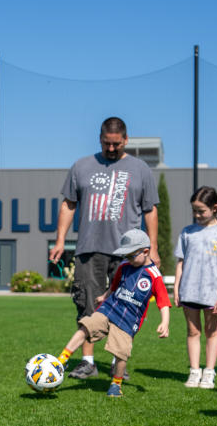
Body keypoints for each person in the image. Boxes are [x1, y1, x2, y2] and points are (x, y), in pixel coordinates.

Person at [50, 117, 159, 380]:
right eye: (106, 143)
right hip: (89, 248)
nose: (111, 149)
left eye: (116, 144)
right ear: (100, 138)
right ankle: (87, 362)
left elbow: (150, 210)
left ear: (126, 140)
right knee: (87, 305)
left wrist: (152, 248)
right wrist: (60, 240)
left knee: (124, 308)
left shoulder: (140, 169)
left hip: (128, 253)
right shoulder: (82, 166)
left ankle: (116, 363)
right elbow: (68, 204)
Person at [56, 229, 170, 398]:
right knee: (85, 326)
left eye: (131, 255)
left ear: (146, 252)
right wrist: (104, 296)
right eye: (126, 256)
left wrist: (165, 323)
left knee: (121, 353)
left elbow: (164, 302)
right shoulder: (124, 266)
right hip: (110, 308)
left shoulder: (154, 276)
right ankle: (60, 361)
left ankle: (116, 384)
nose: (128, 259)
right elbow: (114, 286)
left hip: (128, 320)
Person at [172, 186, 217, 389]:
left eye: (201, 211)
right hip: (189, 291)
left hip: (212, 293)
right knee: (193, 331)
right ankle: (194, 372)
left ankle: (209, 372)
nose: (197, 215)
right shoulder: (187, 233)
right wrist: (176, 289)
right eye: (194, 210)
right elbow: (181, 262)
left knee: (211, 331)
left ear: (215, 208)